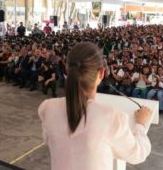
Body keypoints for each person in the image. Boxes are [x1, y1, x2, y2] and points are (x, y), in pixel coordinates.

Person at [38, 42, 152, 170]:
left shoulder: (47, 108)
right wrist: (140, 125)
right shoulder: (111, 117)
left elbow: (52, 140)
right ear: (101, 73)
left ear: (66, 69)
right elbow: (137, 154)